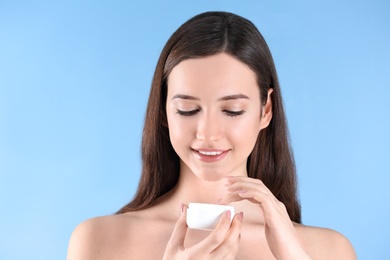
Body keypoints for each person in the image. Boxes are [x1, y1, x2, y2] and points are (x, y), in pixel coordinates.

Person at [67, 11, 356, 259]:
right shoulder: (98, 241)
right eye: (188, 109)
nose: (207, 134)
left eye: (232, 110)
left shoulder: (328, 251)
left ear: (265, 110)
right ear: (163, 112)